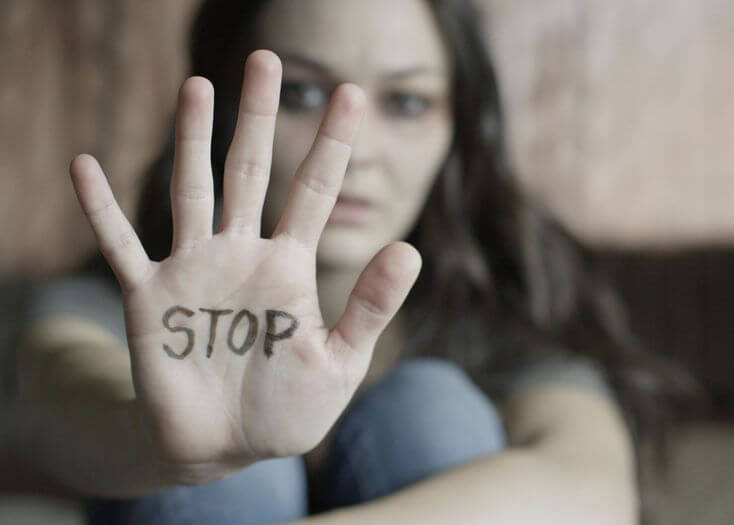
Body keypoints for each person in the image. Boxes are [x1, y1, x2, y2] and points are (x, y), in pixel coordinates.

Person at [3, 0, 694, 523]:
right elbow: (57, 397)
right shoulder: (122, 297)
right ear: (227, 107)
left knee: (430, 410)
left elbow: (592, 486)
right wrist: (161, 442)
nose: (356, 149)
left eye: (407, 102)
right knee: (231, 476)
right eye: (302, 93)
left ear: (457, 133)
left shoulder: (493, 317)